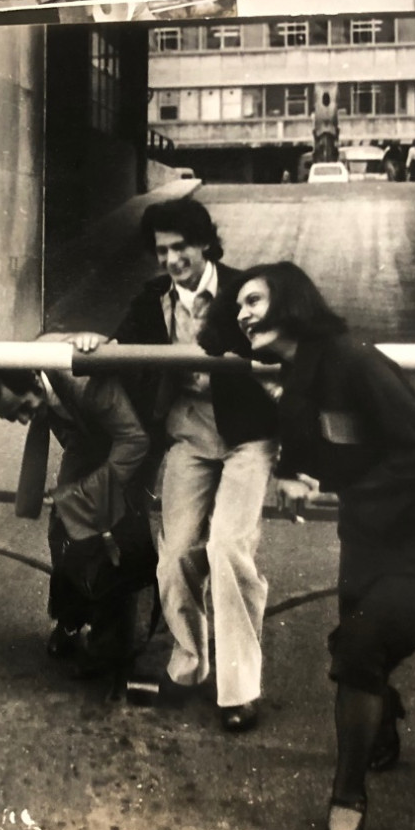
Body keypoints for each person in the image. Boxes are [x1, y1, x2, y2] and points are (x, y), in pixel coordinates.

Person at [205, 261, 415, 830]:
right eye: (237, 307)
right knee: (364, 655)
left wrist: (324, 490)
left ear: (292, 301)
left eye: (252, 300)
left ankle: (346, 800)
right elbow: (322, 449)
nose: (241, 314)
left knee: (357, 648)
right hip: (369, 533)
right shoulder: (297, 375)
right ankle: (379, 720)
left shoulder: (354, 359)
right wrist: (304, 475)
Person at [75, 198, 278, 732]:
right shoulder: (154, 298)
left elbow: (286, 347)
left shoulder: (243, 290)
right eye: (162, 250)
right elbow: (121, 341)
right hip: (188, 434)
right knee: (176, 552)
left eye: (180, 247)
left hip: (247, 437)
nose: (171, 258)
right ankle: (189, 665)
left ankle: (239, 689)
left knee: (229, 548)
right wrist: (100, 343)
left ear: (205, 243)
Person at [0, 354, 151, 693]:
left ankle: (109, 643)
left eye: (24, 408)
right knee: (62, 527)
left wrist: (90, 498)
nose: (26, 419)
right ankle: (71, 618)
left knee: (114, 540)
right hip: (87, 441)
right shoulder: (37, 385)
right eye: (15, 418)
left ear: (36, 380)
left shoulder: (83, 383)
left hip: (134, 443)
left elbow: (135, 439)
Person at [312, 91, 339, 165]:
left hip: (331, 134)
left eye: (327, 98)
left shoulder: (333, 108)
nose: (326, 100)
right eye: (324, 98)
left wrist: (337, 137)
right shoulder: (318, 108)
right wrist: (315, 135)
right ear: (322, 99)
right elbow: (315, 122)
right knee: (319, 149)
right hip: (320, 134)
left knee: (332, 150)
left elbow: (336, 122)